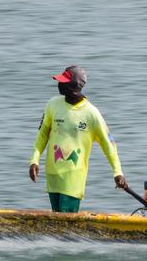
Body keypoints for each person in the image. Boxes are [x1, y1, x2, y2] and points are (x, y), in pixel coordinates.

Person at [29, 65, 128, 213]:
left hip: (73, 176)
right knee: (57, 221)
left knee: (65, 222)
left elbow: (109, 144)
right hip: (53, 174)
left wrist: (117, 172)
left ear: (73, 85)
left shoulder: (91, 114)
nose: (59, 84)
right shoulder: (52, 105)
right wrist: (34, 160)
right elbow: (42, 134)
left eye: (63, 82)